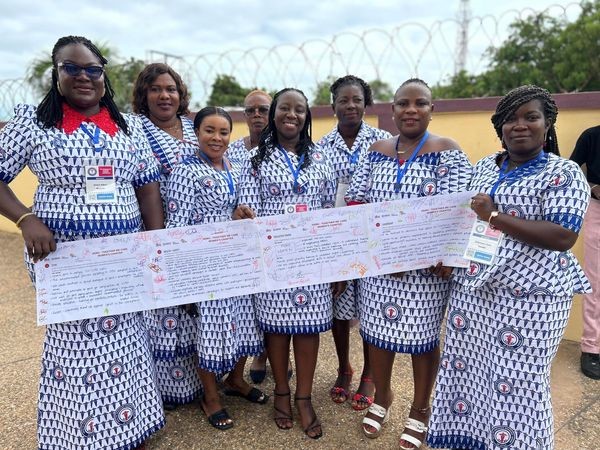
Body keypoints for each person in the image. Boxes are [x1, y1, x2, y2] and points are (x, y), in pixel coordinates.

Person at [0, 35, 165, 450]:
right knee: (77, 349)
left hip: (124, 258)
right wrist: (24, 217)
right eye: (71, 68)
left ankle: (130, 430)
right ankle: (80, 438)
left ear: (103, 75)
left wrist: (155, 243)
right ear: (56, 74)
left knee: (126, 341)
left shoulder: (127, 127)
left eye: (92, 69)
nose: (83, 76)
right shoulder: (33, 122)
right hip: (64, 261)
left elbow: (146, 187)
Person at [427, 85, 591, 450]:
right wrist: (451, 259)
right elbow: (467, 222)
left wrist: (496, 216)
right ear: (498, 127)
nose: (520, 125)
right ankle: (471, 441)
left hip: (531, 300)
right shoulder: (486, 165)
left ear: (547, 123)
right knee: (468, 374)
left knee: (519, 384)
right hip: (475, 293)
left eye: (530, 117)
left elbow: (563, 235)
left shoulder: (563, 173)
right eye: (510, 119)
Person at [345, 78, 472, 449]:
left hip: (426, 273)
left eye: (420, 103)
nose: (411, 110)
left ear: (432, 109)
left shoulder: (448, 152)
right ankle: (383, 397)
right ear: (393, 109)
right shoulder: (376, 151)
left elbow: (458, 212)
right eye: (403, 103)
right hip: (380, 269)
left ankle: (420, 409)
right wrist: (372, 255)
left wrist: (446, 256)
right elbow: (356, 204)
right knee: (378, 337)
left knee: (422, 342)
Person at [234, 88, 341, 439]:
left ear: (307, 116)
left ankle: (304, 397)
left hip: (312, 260)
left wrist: (335, 262)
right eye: (284, 108)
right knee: (277, 328)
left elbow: (329, 211)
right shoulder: (254, 159)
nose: (291, 115)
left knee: (309, 328)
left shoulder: (322, 158)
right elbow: (249, 211)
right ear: (274, 114)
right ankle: (282, 390)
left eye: (299, 109)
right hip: (273, 259)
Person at [166, 107, 267, 430]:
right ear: (197, 133)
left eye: (223, 132)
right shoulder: (185, 171)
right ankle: (210, 396)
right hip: (204, 266)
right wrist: (183, 276)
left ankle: (236, 380)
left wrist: (240, 214)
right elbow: (176, 228)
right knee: (208, 331)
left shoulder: (235, 167)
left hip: (235, 264)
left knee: (244, 322)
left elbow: (240, 209)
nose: (217, 138)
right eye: (210, 130)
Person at [316, 75, 391, 410]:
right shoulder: (320, 148)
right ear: (333, 105)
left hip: (372, 239)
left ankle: (370, 375)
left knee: (371, 309)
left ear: (366, 102)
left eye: (356, 99)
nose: (350, 106)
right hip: (336, 240)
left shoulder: (383, 141)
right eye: (343, 100)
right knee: (340, 309)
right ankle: (344, 367)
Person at [132, 63, 203, 409]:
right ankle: (168, 391)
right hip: (158, 231)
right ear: (144, 95)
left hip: (199, 234)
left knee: (197, 308)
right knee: (165, 309)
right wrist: (159, 243)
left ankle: (204, 381)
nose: (165, 95)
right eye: (156, 89)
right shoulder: (137, 130)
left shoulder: (193, 126)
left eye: (171, 89)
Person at [570, 125, 600, 380]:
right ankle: (592, 348)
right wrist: (591, 187)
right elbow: (571, 170)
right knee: (595, 280)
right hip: (597, 210)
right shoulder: (591, 136)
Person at [226, 90, 271, 165]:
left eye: (263, 110)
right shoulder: (231, 150)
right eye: (250, 110)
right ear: (245, 115)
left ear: (273, 114)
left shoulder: (283, 148)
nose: (256, 114)